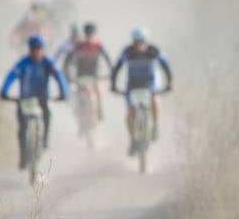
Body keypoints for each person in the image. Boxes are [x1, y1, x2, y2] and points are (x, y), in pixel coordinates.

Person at [0, 35, 69, 169]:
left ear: (43, 50)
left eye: (39, 49)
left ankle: (45, 140)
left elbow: (59, 76)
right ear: (29, 50)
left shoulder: (48, 62)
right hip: (25, 99)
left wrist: (63, 92)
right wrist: (4, 91)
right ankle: (23, 156)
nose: (36, 52)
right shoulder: (23, 63)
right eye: (33, 49)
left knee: (47, 114)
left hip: (42, 97)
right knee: (22, 128)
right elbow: (11, 75)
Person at [110, 27, 173, 155]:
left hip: (150, 83)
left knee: (154, 99)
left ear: (146, 41)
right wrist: (113, 85)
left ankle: (155, 126)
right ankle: (133, 140)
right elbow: (117, 67)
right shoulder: (127, 52)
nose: (139, 45)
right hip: (133, 85)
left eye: (142, 42)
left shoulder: (154, 51)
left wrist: (170, 82)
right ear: (133, 42)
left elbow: (165, 65)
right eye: (136, 42)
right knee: (130, 112)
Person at [65, 22, 114, 122]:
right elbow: (68, 59)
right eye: (88, 35)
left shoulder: (98, 45)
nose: (89, 37)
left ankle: (100, 109)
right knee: (75, 93)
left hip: (94, 75)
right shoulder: (79, 46)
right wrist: (66, 73)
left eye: (91, 34)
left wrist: (111, 71)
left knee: (98, 91)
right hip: (80, 75)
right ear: (85, 34)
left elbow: (107, 59)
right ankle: (77, 114)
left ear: (95, 35)